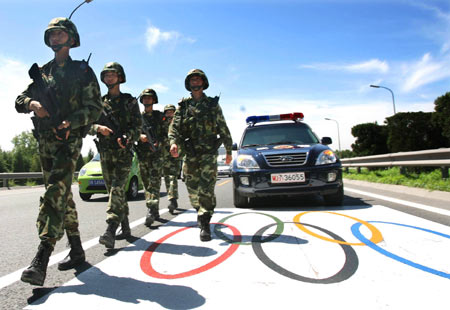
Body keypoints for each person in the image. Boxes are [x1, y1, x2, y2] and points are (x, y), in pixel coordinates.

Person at [15, 17, 102, 286]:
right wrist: (33, 104)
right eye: (51, 34)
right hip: (45, 142)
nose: (55, 37)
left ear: (71, 38)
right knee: (63, 195)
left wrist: (71, 122)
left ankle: (42, 256)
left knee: (54, 191)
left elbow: (95, 107)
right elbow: (19, 100)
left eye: (60, 33)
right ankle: (76, 249)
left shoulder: (82, 71)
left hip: (69, 140)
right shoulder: (42, 72)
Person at [169, 69, 232, 241]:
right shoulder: (183, 106)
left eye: (198, 80)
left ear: (203, 83)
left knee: (206, 189)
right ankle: (199, 210)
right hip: (190, 154)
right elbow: (174, 128)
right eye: (192, 80)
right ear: (189, 84)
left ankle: (205, 222)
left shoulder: (212, 105)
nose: (195, 82)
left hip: (208, 155)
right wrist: (173, 143)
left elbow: (223, 128)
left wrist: (228, 150)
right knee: (192, 188)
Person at [91, 62, 142, 249]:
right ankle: (126, 227)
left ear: (120, 77)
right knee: (113, 191)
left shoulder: (130, 102)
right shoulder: (98, 103)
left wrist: (128, 137)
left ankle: (110, 231)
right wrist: (98, 128)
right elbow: (87, 125)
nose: (109, 78)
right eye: (106, 75)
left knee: (117, 190)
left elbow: (138, 128)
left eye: (113, 74)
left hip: (123, 154)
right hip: (105, 154)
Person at [134, 88, 167, 227]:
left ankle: (150, 210)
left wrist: (159, 142)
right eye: (145, 98)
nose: (147, 100)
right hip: (142, 156)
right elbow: (131, 133)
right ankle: (155, 208)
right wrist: (138, 136)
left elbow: (167, 134)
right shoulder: (136, 118)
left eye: (149, 98)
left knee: (154, 183)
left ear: (154, 100)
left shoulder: (159, 117)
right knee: (147, 185)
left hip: (156, 156)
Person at [162, 104, 182, 214]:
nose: (169, 114)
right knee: (166, 176)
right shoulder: (162, 123)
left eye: (171, 112)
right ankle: (172, 198)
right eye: (167, 112)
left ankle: (173, 199)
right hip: (165, 153)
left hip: (175, 153)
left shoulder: (178, 123)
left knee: (173, 176)